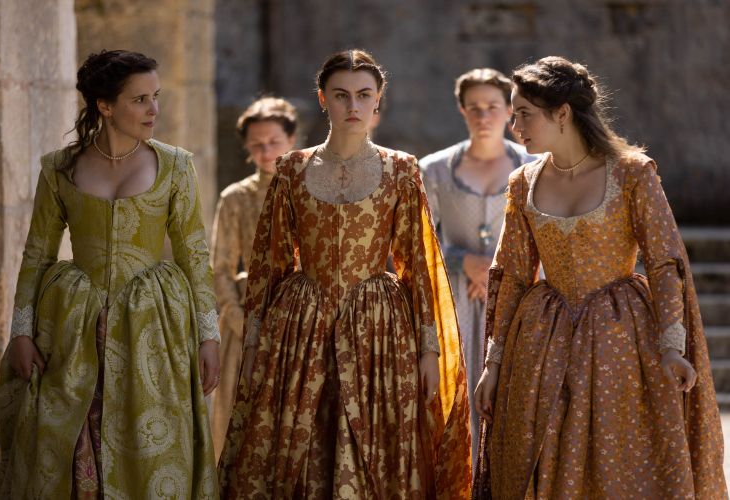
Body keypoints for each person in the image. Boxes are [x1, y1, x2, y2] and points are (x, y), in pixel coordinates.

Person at [217, 49, 471, 498]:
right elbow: (269, 263)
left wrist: (428, 349)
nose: (353, 106)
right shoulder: (292, 168)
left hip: (378, 328)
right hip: (299, 326)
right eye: (341, 95)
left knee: (376, 446)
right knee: (298, 446)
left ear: (378, 100)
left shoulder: (400, 169)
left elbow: (417, 262)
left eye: (363, 95)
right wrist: (254, 342)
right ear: (323, 99)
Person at [473, 56, 726, 498]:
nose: (515, 126)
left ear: (562, 113)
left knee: (618, 460)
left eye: (525, 114)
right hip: (542, 340)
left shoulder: (631, 172)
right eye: (514, 115)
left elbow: (664, 261)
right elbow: (511, 274)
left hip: (620, 338)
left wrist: (672, 345)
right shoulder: (522, 182)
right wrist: (493, 364)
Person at [0, 50, 220, 498]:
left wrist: (208, 335)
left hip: (153, 327)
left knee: (149, 444)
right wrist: (20, 331)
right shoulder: (59, 168)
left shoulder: (175, 165)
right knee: (68, 438)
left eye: (156, 97)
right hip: (73, 325)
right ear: (105, 106)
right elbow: (37, 254)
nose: (154, 110)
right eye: (140, 100)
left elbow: (195, 255)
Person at [421, 68, 536, 464]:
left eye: (492, 107)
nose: (483, 116)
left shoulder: (534, 165)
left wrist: (496, 269)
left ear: (509, 110)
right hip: (456, 298)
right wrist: (463, 260)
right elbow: (419, 240)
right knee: (459, 393)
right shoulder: (434, 169)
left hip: (519, 295)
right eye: (474, 108)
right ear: (462, 110)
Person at [209, 96, 298, 461]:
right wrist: (239, 320)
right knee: (240, 427)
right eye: (257, 144)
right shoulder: (235, 198)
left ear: (291, 140)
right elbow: (219, 268)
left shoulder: (310, 190)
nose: (265, 152)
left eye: (273, 142)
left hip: (300, 319)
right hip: (247, 321)